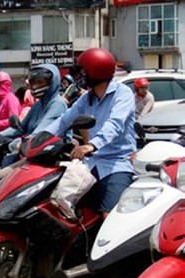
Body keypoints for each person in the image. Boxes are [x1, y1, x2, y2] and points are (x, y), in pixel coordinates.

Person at [42, 48, 136, 218]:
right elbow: (64, 121)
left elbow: (114, 124)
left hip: (116, 163)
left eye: (84, 71)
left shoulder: (123, 94)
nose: (81, 76)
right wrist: (37, 139)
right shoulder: (86, 98)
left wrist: (91, 145)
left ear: (97, 70)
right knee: (57, 206)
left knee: (109, 216)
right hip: (90, 164)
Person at [0, 64, 69, 165]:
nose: (35, 86)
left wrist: (23, 142)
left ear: (53, 82)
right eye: (33, 83)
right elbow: (20, 128)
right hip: (34, 154)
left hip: (51, 157)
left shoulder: (58, 104)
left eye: (40, 82)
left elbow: (41, 132)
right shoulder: (37, 105)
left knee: (1, 175)